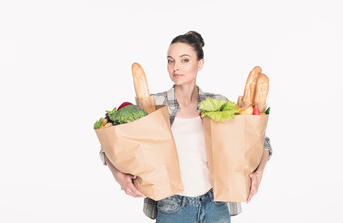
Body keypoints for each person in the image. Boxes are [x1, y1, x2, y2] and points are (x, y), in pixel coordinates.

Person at [100, 31, 272, 222]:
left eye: (184, 60)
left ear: (200, 63)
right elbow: (111, 147)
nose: (175, 67)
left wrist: (259, 173)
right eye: (170, 60)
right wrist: (119, 177)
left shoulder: (219, 104)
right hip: (172, 207)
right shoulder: (153, 105)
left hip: (216, 204)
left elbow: (260, 141)